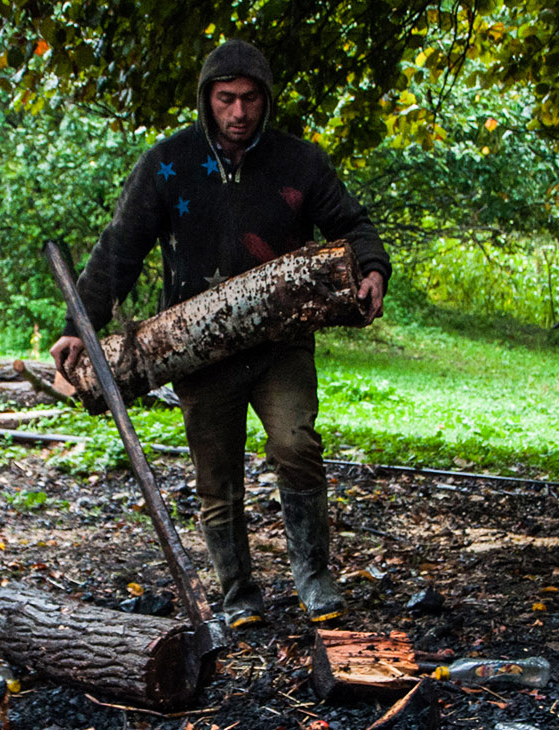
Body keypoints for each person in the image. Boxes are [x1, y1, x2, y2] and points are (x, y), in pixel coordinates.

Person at [53, 40, 389, 626]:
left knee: (296, 443)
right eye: (226, 99)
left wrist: (374, 270)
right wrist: (79, 325)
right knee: (216, 473)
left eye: (250, 99)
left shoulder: (300, 162)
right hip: (196, 349)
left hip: (282, 342)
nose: (239, 113)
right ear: (207, 100)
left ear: (266, 99)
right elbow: (119, 248)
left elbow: (352, 224)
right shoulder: (168, 163)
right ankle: (238, 595)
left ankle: (314, 577)